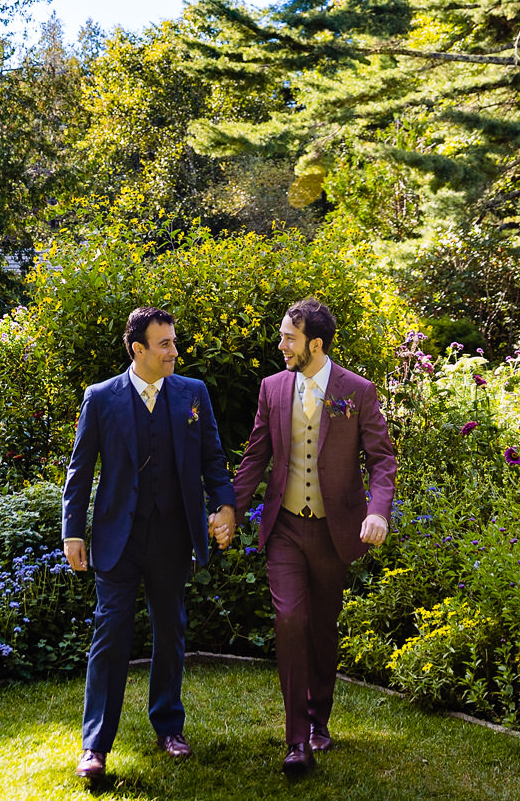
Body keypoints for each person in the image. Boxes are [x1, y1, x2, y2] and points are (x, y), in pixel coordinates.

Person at [222, 296, 397, 774]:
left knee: (322, 628)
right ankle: (296, 741)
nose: (281, 345)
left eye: (289, 338)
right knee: (291, 621)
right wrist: (230, 511)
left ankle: (320, 720)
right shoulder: (273, 388)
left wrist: (378, 511)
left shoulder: (356, 391)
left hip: (333, 531)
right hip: (285, 530)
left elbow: (382, 459)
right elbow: (256, 457)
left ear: (314, 344)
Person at [62, 306, 237, 781]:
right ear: (138, 350)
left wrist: (225, 504)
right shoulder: (100, 399)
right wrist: (73, 530)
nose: (174, 352)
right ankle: (95, 746)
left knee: (171, 631)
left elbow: (213, 458)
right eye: (165, 345)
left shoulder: (192, 394)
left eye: (174, 342)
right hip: (119, 537)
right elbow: (80, 470)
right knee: (110, 636)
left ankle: (169, 727)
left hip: (173, 536)